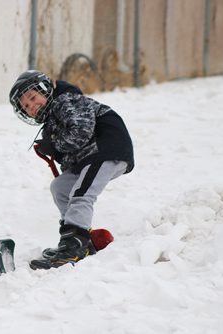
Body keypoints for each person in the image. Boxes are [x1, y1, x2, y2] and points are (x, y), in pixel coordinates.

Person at [9, 70, 134, 270]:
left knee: (82, 194)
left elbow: (80, 133)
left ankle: (73, 246)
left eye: (33, 97)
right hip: (89, 157)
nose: (32, 106)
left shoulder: (66, 101)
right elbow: (71, 153)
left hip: (107, 150)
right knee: (61, 187)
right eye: (25, 106)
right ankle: (79, 238)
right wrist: (55, 148)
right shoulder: (52, 120)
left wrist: (55, 144)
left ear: (45, 90)